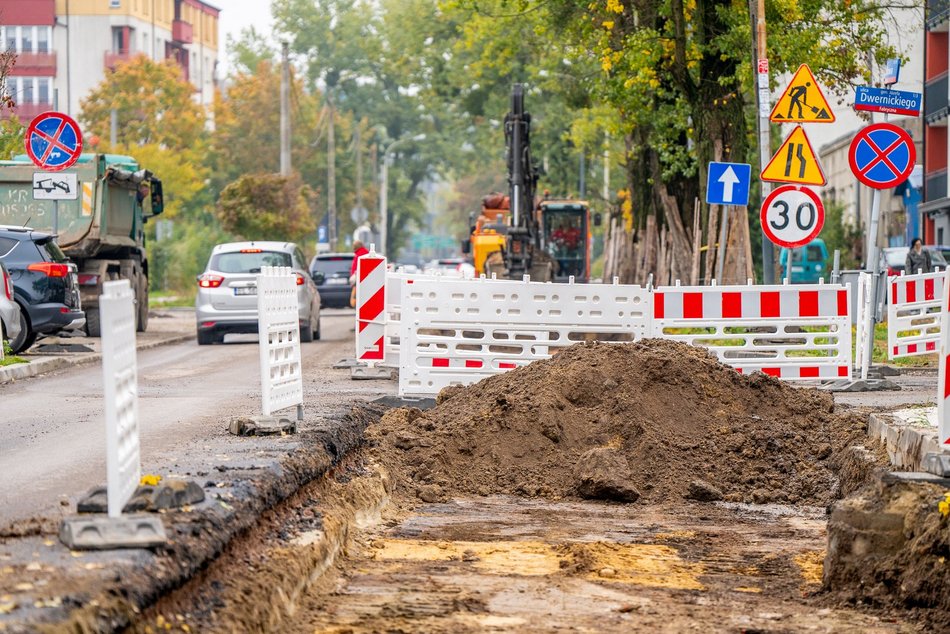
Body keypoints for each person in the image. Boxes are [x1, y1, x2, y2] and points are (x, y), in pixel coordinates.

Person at [349, 240, 370, 308]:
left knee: (356, 295)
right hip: (366, 279)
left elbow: (355, 267)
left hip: (358, 278)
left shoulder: (358, 254)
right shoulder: (367, 253)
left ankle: (357, 306)